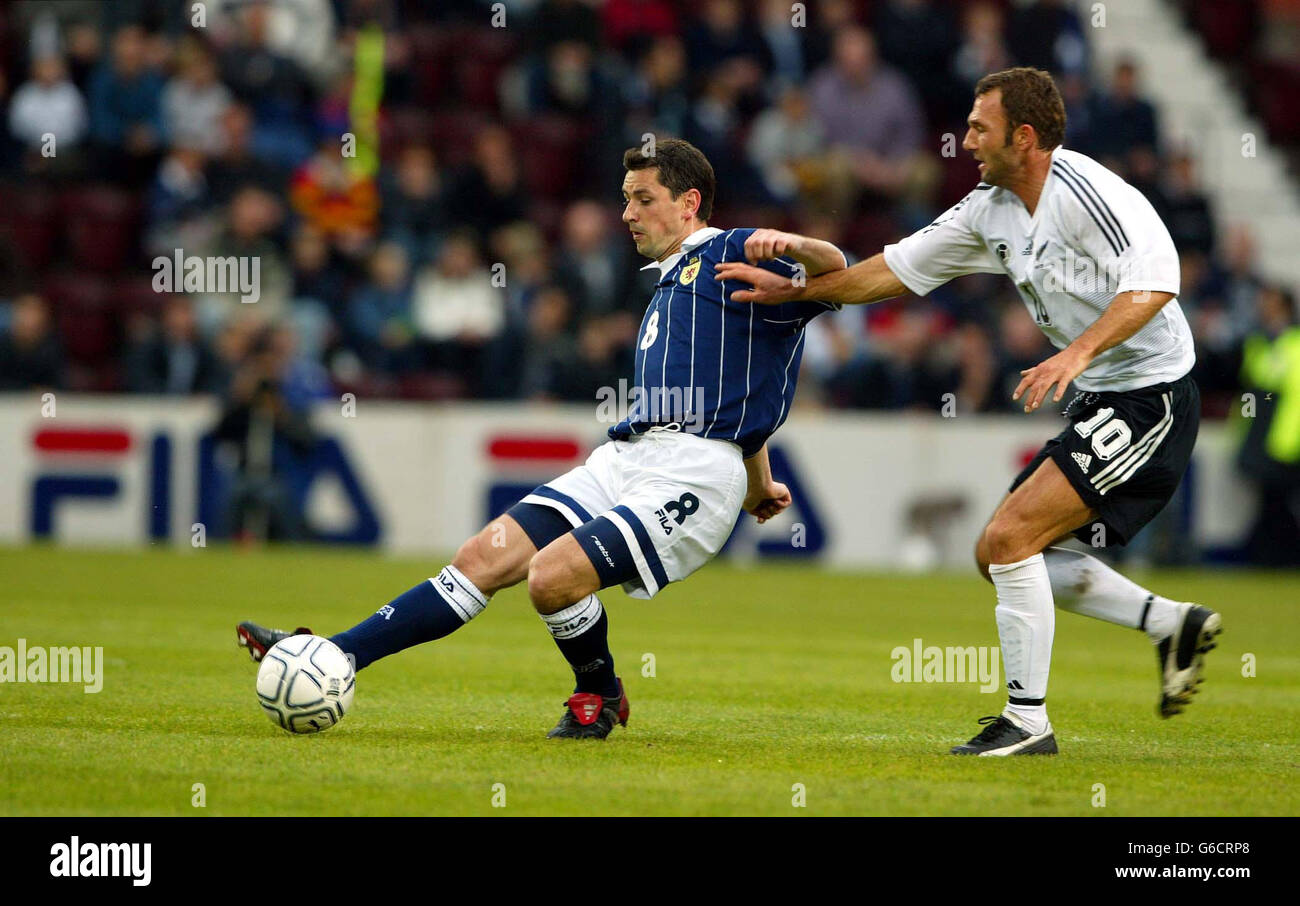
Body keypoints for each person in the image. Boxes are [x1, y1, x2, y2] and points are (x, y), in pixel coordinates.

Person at [236, 139, 846, 738]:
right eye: (624, 198)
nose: (628, 213)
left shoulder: (732, 249)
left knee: (551, 578)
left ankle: (600, 693)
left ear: (689, 202)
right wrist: (760, 483)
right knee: (481, 558)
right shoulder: (669, 280)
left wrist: (795, 244)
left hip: (690, 474)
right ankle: (333, 655)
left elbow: (837, 271)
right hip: (628, 457)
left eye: (642, 198)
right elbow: (743, 386)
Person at [716, 68, 1222, 756]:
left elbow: (1159, 282)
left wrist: (1075, 354)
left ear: (1024, 136)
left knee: (1012, 537)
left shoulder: (1094, 194)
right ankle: (1170, 624)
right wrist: (796, 292)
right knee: (998, 553)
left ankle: (1027, 723)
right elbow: (891, 269)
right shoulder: (990, 208)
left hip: (1152, 397)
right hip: (1105, 395)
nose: (967, 139)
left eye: (980, 127)